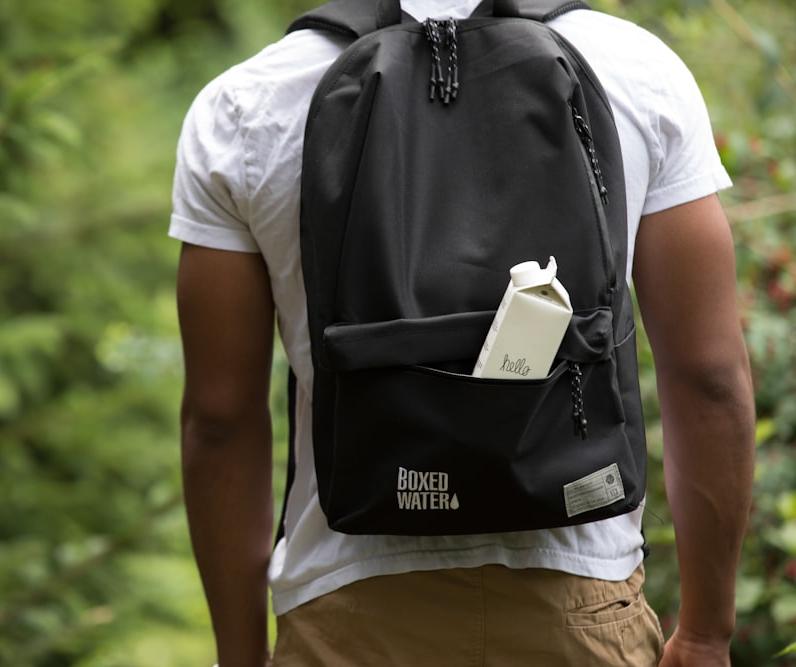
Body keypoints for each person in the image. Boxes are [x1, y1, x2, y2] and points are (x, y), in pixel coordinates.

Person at [171, 0, 756, 664]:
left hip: (346, 615)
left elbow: (220, 418)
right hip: (578, 609)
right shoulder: (636, 71)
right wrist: (707, 631)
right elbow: (709, 377)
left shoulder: (247, 106)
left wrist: (240, 655)